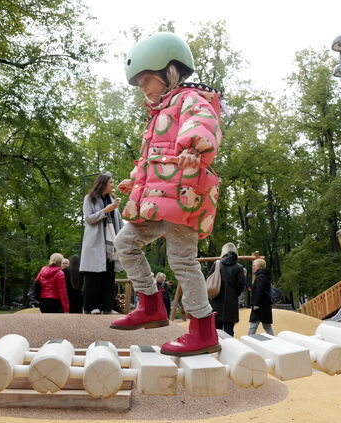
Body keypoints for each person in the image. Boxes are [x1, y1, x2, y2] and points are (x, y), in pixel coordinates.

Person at [110, 32, 223, 357]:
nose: (143, 87)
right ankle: (150, 306)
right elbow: (150, 157)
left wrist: (191, 149)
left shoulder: (189, 99)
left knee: (182, 260)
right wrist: (134, 182)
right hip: (159, 198)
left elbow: (202, 123)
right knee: (125, 243)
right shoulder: (158, 114)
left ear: (168, 72)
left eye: (147, 79)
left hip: (184, 195)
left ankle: (203, 328)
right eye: (140, 82)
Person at [79, 173, 124, 314]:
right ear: (103, 183)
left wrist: (125, 234)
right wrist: (106, 211)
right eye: (111, 182)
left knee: (109, 276)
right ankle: (92, 307)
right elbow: (88, 219)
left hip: (111, 245)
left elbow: (120, 222)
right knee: (93, 276)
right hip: (95, 243)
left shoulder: (113, 200)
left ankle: (107, 307)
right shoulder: (89, 199)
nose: (113, 184)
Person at [208, 243, 246, 337]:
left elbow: (208, 280)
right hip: (231, 304)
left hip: (216, 302)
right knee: (229, 331)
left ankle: (217, 350)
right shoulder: (239, 267)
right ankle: (229, 350)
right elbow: (241, 286)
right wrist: (233, 294)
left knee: (216, 331)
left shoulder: (216, 264)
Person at [248, 258, 274, 335]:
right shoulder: (263, 276)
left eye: (254, 265)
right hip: (264, 306)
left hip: (260, 307)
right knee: (266, 326)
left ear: (259, 266)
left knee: (253, 325)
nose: (252, 267)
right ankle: (275, 341)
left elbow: (259, 291)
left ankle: (248, 340)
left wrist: (256, 304)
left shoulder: (260, 277)